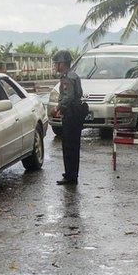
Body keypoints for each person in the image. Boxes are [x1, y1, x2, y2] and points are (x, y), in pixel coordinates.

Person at [52, 50, 85, 186]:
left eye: (56, 64)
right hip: (74, 114)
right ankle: (71, 174)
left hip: (71, 116)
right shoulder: (74, 76)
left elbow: (69, 97)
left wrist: (58, 108)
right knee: (73, 146)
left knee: (69, 146)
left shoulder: (68, 78)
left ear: (62, 64)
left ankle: (71, 177)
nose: (55, 66)